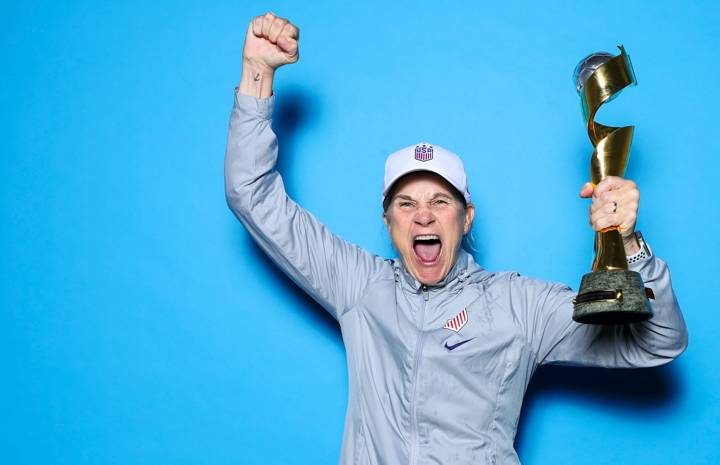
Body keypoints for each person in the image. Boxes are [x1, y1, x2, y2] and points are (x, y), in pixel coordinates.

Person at [225, 12, 688, 465]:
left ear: (467, 219)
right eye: (406, 204)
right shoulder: (360, 287)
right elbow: (252, 196)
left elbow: (657, 343)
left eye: (440, 202)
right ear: (388, 223)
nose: (423, 216)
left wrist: (628, 246)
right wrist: (257, 74)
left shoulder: (517, 305)